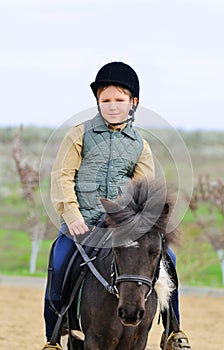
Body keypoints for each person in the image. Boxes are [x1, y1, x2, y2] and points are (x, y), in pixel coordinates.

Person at [42, 61, 191, 350]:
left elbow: (144, 188)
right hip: (82, 222)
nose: (112, 106)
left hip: (121, 223)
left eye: (119, 100)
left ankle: (173, 330)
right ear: (98, 102)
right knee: (59, 265)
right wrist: (71, 214)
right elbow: (62, 176)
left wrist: (142, 221)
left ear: (133, 103)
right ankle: (53, 337)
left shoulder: (139, 145)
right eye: (105, 100)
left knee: (168, 260)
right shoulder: (79, 134)